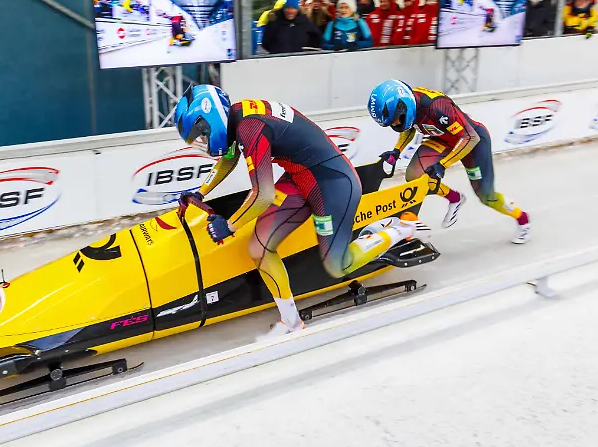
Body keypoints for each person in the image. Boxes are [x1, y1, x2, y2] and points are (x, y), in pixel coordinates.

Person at [175, 85, 431, 338]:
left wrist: (229, 226)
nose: (202, 142)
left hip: (332, 183)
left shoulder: (250, 128)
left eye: (201, 134)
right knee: (259, 248)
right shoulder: (239, 117)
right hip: (300, 177)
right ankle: (292, 322)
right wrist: (200, 192)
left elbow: (262, 195)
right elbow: (229, 158)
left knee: (338, 265)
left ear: (209, 119)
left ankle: (399, 229)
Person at [367, 80, 530, 244]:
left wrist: (442, 165)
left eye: (396, 119)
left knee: (487, 196)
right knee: (414, 175)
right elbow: (407, 127)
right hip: (443, 139)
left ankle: (523, 220)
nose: (396, 124)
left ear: (404, 105)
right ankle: (455, 198)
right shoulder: (411, 105)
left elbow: (471, 137)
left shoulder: (436, 107)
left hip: (473, 142)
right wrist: (397, 151)